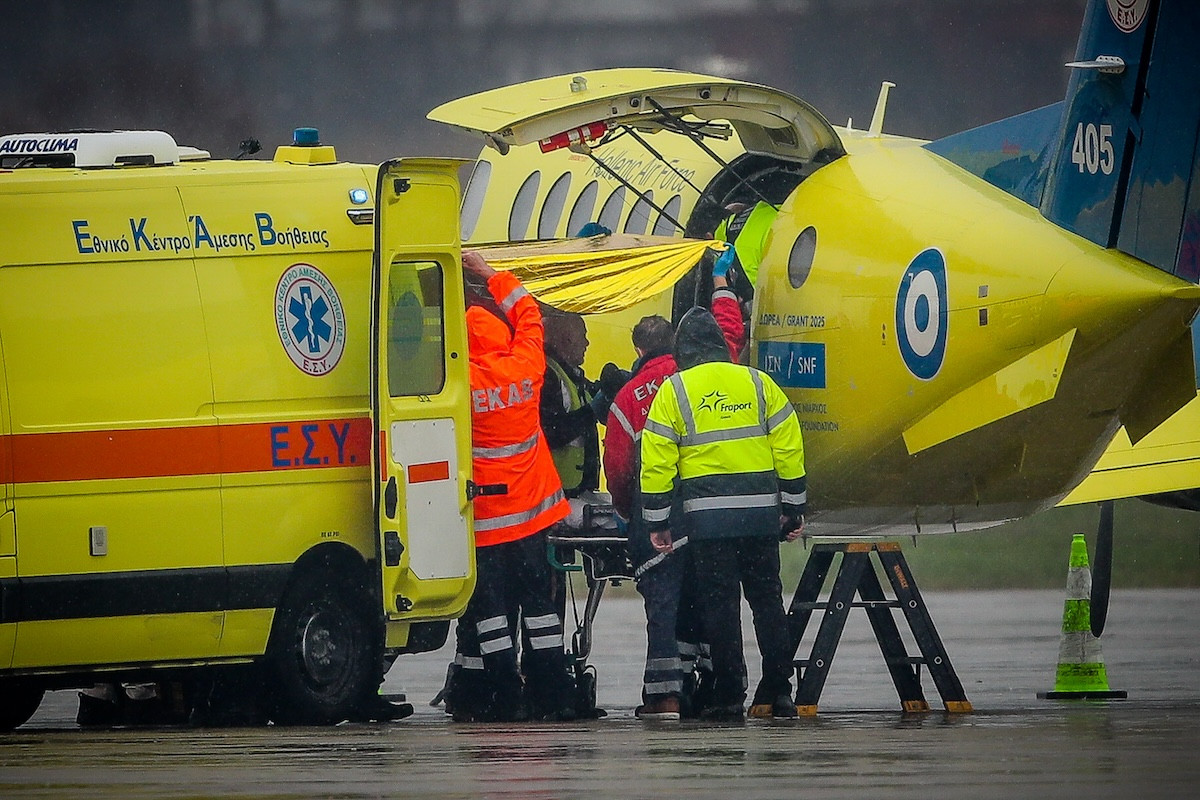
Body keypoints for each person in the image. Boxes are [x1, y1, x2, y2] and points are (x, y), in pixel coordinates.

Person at [639, 303, 807, 722]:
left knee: (721, 607)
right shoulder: (758, 383)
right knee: (767, 602)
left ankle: (730, 695)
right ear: (719, 345)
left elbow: (656, 460)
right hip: (759, 517)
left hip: (709, 522)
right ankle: (780, 691)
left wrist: (656, 520)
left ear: (684, 351)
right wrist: (793, 506)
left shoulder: (674, 391)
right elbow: (789, 442)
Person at [604, 261, 745, 720]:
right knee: (711, 599)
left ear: (639, 348)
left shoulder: (630, 397)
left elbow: (620, 466)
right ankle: (717, 684)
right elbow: (729, 336)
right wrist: (721, 286)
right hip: (709, 512)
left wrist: (629, 515)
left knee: (663, 604)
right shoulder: (705, 380)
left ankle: (665, 694)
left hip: (659, 514)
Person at [448, 251, 577, 722]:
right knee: (540, 607)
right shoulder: (527, 364)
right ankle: (551, 688)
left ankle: (504, 694)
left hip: (485, 521)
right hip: (531, 515)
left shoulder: (461, 382)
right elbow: (529, 311)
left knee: (491, 611)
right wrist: (488, 274)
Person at [713, 200, 778, 290]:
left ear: (708, 236)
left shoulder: (737, 250)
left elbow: (760, 294)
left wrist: (718, 278)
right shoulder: (771, 210)